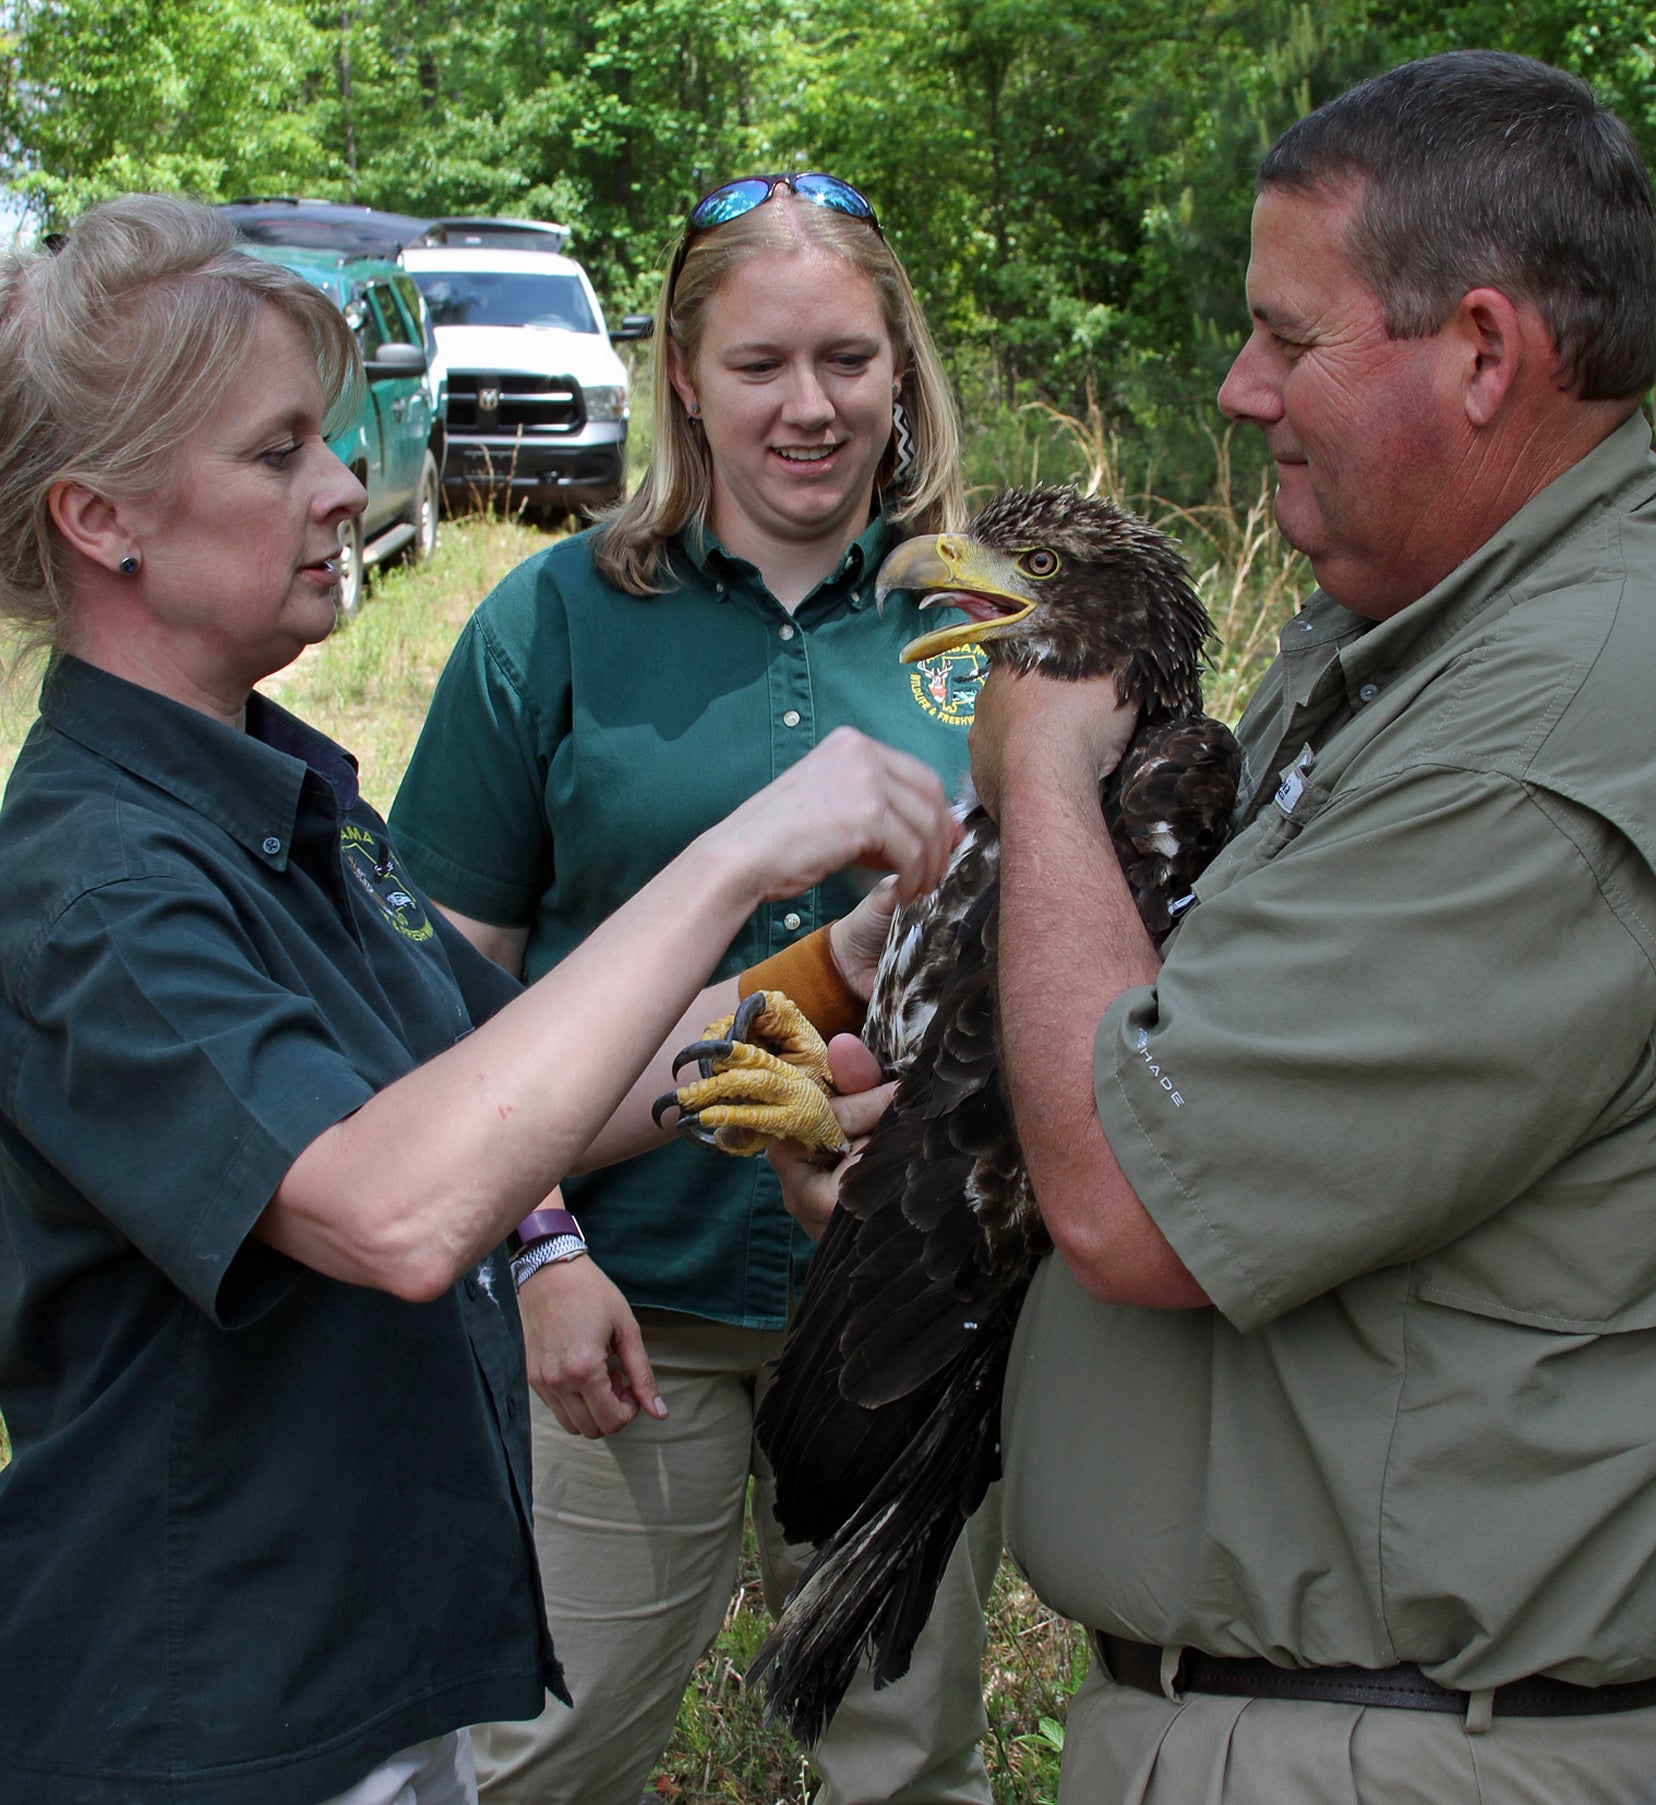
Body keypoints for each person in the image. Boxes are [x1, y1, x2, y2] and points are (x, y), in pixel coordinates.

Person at [789, 51, 1656, 1805]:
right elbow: (1195, 1054)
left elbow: (1134, 1190)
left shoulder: (1547, 741)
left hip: (1386, 1746)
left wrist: (1043, 767)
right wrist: (943, 1168)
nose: (1241, 388)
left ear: (1483, 353)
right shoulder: (1429, 632)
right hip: (1333, 1721)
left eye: (1289, 336)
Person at [0, 194, 960, 1805]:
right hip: (208, 1722)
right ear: (104, 520)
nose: (342, 485)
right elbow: (397, 1206)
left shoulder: (283, 809)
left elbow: (526, 1088)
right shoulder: (101, 882)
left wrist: (837, 959)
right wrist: (736, 853)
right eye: (277, 452)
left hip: (365, 1681)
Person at [385, 174, 999, 1805]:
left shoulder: (988, 625)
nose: (811, 407)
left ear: (901, 367)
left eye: (848, 360)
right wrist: (539, 1245)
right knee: (545, 1754)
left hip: (896, 1307)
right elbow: (432, 1001)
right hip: (618, 1307)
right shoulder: (551, 622)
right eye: (760, 364)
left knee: (907, 1760)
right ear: (679, 374)